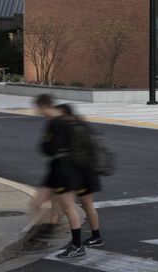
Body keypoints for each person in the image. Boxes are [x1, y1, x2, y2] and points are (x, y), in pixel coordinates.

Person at [29, 94, 88, 259]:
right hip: (55, 169)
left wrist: (47, 146)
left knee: (68, 207)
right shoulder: (53, 122)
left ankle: (77, 245)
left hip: (64, 170)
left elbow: (50, 147)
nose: (37, 112)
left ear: (44, 106)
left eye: (38, 109)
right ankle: (45, 232)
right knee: (36, 202)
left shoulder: (58, 123)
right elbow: (46, 146)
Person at [59, 104, 107, 249]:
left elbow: (74, 154)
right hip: (88, 171)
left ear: (66, 116)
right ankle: (96, 237)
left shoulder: (74, 129)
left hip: (82, 172)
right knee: (87, 205)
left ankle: (82, 242)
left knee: (76, 205)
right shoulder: (80, 125)